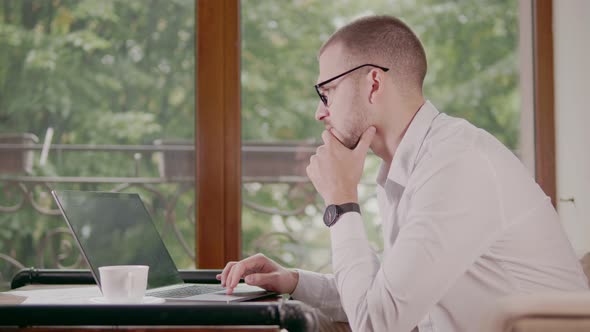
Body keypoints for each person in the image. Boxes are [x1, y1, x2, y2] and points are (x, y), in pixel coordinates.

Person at [217, 15, 589, 331]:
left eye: (327, 91)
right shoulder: (412, 165)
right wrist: (295, 282)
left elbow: (377, 323)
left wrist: (340, 202)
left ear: (373, 83)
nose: (320, 112)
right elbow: (387, 298)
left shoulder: (456, 163)